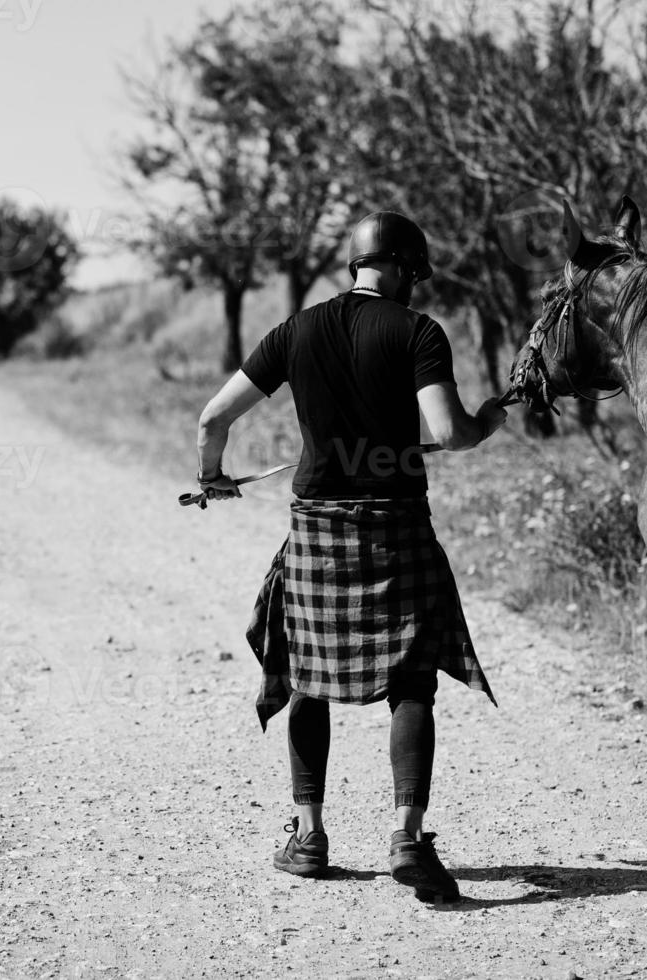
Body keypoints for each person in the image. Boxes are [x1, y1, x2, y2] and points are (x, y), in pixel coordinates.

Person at [193, 211, 507, 902]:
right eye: (411, 274)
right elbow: (449, 433)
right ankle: (407, 838)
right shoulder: (418, 332)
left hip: (317, 530)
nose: (412, 286)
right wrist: (488, 420)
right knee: (412, 681)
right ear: (395, 265)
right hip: (397, 528)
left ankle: (308, 839)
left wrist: (213, 476)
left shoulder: (296, 330)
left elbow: (213, 418)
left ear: (354, 264)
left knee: (306, 674)